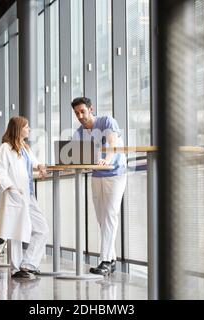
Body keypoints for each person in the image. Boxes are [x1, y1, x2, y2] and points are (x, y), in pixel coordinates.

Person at [71, 97, 127, 276]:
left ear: (91, 109)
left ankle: (104, 261)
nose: (80, 116)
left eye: (82, 111)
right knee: (102, 218)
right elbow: (77, 155)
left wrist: (106, 160)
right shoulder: (79, 132)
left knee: (110, 214)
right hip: (96, 175)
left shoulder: (106, 121)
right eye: (77, 113)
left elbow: (113, 145)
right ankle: (111, 260)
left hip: (115, 173)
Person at [0, 116, 49, 278]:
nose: (29, 129)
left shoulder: (25, 147)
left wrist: (40, 165)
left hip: (28, 194)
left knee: (42, 229)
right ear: (18, 129)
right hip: (15, 193)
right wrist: (11, 188)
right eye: (26, 127)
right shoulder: (6, 147)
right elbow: (1, 171)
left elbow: (34, 163)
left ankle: (28, 263)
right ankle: (16, 268)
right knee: (15, 231)